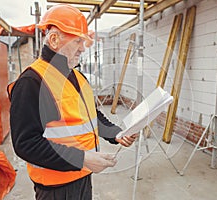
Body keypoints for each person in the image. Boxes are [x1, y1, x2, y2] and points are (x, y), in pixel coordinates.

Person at [7, 4, 137, 200]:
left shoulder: (77, 76)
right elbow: (26, 144)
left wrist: (116, 134)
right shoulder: (32, 82)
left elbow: (92, 116)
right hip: (56, 188)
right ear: (54, 39)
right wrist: (83, 158)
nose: (82, 48)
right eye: (77, 41)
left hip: (82, 176)